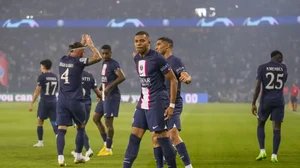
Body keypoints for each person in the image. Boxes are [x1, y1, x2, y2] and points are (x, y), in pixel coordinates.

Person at [123, 31, 178, 168]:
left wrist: (171, 105)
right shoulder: (137, 58)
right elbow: (136, 58)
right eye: (136, 41)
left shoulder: (157, 58)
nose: (139, 43)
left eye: (142, 41)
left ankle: (172, 162)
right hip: (143, 102)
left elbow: (173, 80)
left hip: (157, 102)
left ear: (149, 42)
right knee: (134, 137)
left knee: (162, 138)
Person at [56, 35, 102, 166]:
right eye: (83, 51)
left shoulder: (62, 59)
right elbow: (98, 57)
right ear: (78, 52)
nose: (85, 52)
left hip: (62, 100)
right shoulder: (79, 62)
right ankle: (78, 155)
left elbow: (72, 51)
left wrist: (81, 44)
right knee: (81, 127)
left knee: (61, 129)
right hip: (76, 101)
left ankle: (60, 158)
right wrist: (91, 44)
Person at [155, 37, 193, 168]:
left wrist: (187, 78)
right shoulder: (158, 61)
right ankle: (168, 153)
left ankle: (188, 166)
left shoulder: (175, 61)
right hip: (159, 103)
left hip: (174, 102)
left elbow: (185, 74)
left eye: (159, 44)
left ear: (168, 46)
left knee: (173, 134)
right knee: (157, 137)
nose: (156, 47)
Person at [251, 50, 288, 163]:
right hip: (279, 101)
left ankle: (262, 151)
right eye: (280, 57)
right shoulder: (284, 68)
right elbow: (284, 80)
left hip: (266, 101)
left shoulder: (262, 67)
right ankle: (274, 156)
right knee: (277, 128)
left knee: (260, 123)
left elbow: (258, 86)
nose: (281, 59)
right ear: (275, 57)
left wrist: (253, 103)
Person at [93, 45, 126, 156]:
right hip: (104, 96)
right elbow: (104, 80)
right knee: (96, 118)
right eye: (103, 53)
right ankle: (106, 143)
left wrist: (108, 88)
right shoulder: (104, 63)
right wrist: (100, 90)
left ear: (111, 53)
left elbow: (121, 77)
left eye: (107, 53)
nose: (105, 55)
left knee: (108, 122)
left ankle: (108, 149)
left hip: (112, 97)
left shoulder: (113, 64)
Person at [71, 70, 102, 159]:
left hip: (77, 104)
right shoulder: (90, 76)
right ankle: (78, 150)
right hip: (87, 105)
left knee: (80, 128)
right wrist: (101, 97)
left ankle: (87, 150)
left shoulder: (74, 74)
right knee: (81, 128)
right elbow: (97, 91)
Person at [29, 59, 58, 147]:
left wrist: (32, 103)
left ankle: (40, 142)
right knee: (54, 122)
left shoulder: (42, 77)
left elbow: (37, 91)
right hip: (54, 101)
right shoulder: (55, 76)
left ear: (44, 67)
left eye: (41, 66)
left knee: (40, 121)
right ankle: (58, 138)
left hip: (44, 102)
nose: (40, 68)